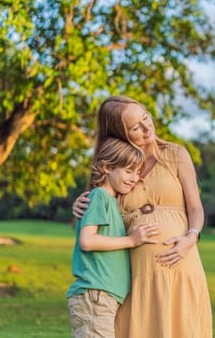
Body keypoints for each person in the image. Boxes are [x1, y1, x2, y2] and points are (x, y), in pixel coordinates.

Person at [72, 95, 212, 338]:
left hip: (180, 263)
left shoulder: (175, 154)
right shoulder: (116, 167)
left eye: (146, 117)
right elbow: (95, 221)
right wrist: (81, 205)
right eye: (136, 127)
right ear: (120, 133)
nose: (147, 128)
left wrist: (191, 237)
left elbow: (196, 209)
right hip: (136, 272)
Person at [67, 137, 160, 338]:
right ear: (107, 168)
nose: (134, 178)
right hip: (94, 295)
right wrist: (131, 240)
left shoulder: (110, 200)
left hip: (103, 296)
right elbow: (87, 241)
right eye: (128, 171)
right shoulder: (99, 196)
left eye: (137, 172)